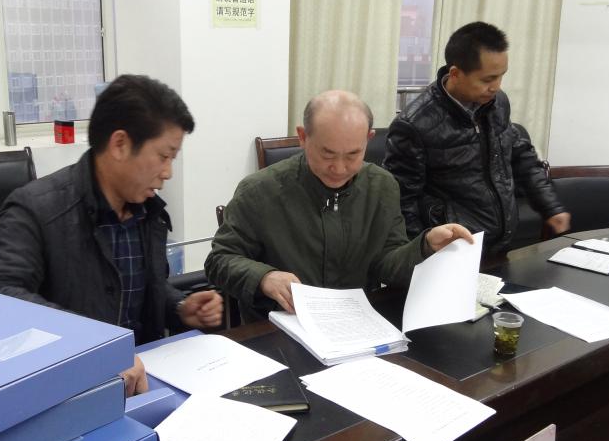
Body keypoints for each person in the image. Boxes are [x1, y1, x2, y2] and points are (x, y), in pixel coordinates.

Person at [0, 74, 223, 396]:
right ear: (120, 144)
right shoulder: (36, 208)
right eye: (164, 156)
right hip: (70, 387)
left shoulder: (147, 212)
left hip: (144, 379)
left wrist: (179, 307)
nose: (168, 172)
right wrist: (102, 348)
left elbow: (136, 291)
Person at [205, 90, 473, 319]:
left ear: (368, 139)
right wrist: (264, 277)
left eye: (353, 154)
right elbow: (219, 260)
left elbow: (386, 264)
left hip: (355, 323)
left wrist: (425, 246)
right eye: (327, 154)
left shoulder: (381, 186)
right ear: (303, 137)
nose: (339, 168)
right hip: (281, 326)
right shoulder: (260, 191)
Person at [385, 21, 570, 255]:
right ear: (455, 74)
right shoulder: (414, 124)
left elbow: (521, 156)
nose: (496, 87)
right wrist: (420, 254)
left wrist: (550, 206)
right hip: (452, 250)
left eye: (501, 76)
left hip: (500, 243)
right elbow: (402, 202)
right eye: (487, 79)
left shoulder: (497, 103)